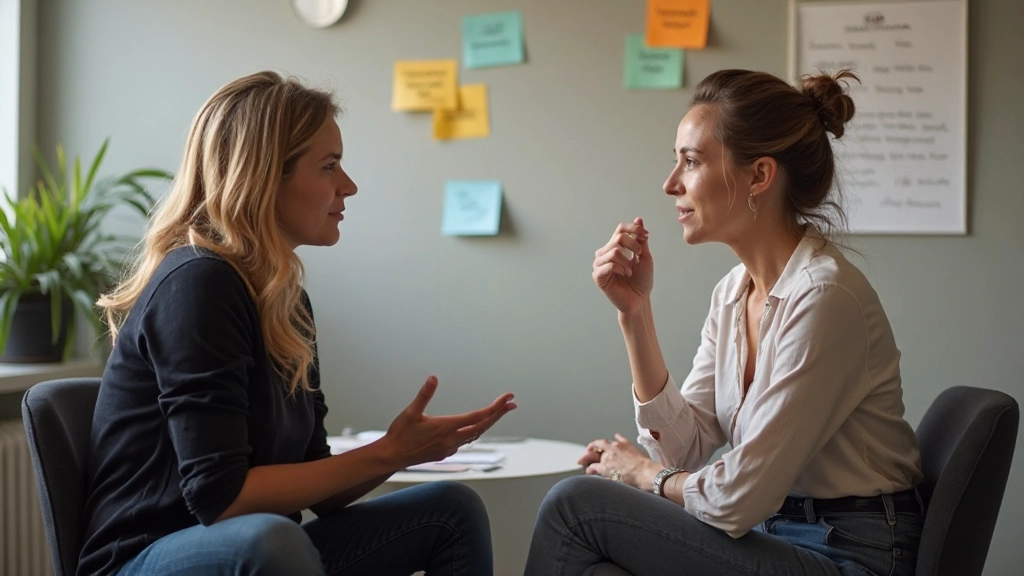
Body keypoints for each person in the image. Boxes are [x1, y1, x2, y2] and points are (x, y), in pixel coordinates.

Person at [79, 70, 516, 576]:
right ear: (264, 177)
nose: (349, 186)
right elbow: (219, 499)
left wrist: (401, 452)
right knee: (271, 540)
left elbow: (319, 483)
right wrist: (386, 452)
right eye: (329, 166)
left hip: (263, 546)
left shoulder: (286, 302)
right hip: (145, 558)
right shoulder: (197, 284)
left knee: (450, 510)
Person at [525, 69, 924, 576]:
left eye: (690, 162)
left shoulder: (824, 297)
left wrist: (644, 474)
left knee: (575, 504)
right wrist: (635, 312)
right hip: (776, 532)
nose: (671, 184)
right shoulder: (734, 291)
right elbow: (686, 446)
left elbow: (736, 497)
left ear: (759, 176)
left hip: (849, 552)